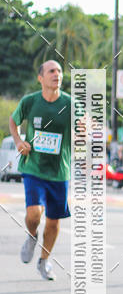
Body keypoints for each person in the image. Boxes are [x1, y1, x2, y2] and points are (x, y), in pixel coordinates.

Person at [9, 60, 72, 281]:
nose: (57, 74)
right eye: (52, 71)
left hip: (59, 172)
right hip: (33, 167)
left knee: (54, 221)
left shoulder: (70, 103)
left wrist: (86, 126)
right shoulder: (30, 102)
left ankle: (44, 261)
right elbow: (13, 120)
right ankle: (32, 235)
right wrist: (18, 141)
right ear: (41, 78)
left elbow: (85, 122)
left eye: (60, 71)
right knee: (34, 213)